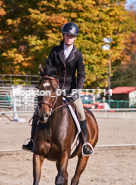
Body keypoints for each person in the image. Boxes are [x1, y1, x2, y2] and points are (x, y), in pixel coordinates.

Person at [22, 22, 93, 155]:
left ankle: (84, 144)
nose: (69, 38)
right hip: (54, 90)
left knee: (81, 113)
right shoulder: (55, 50)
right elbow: (48, 68)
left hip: (71, 90)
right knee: (38, 111)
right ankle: (32, 141)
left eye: (71, 36)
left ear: (75, 37)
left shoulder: (78, 54)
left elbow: (81, 75)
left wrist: (77, 90)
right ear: (64, 35)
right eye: (67, 35)